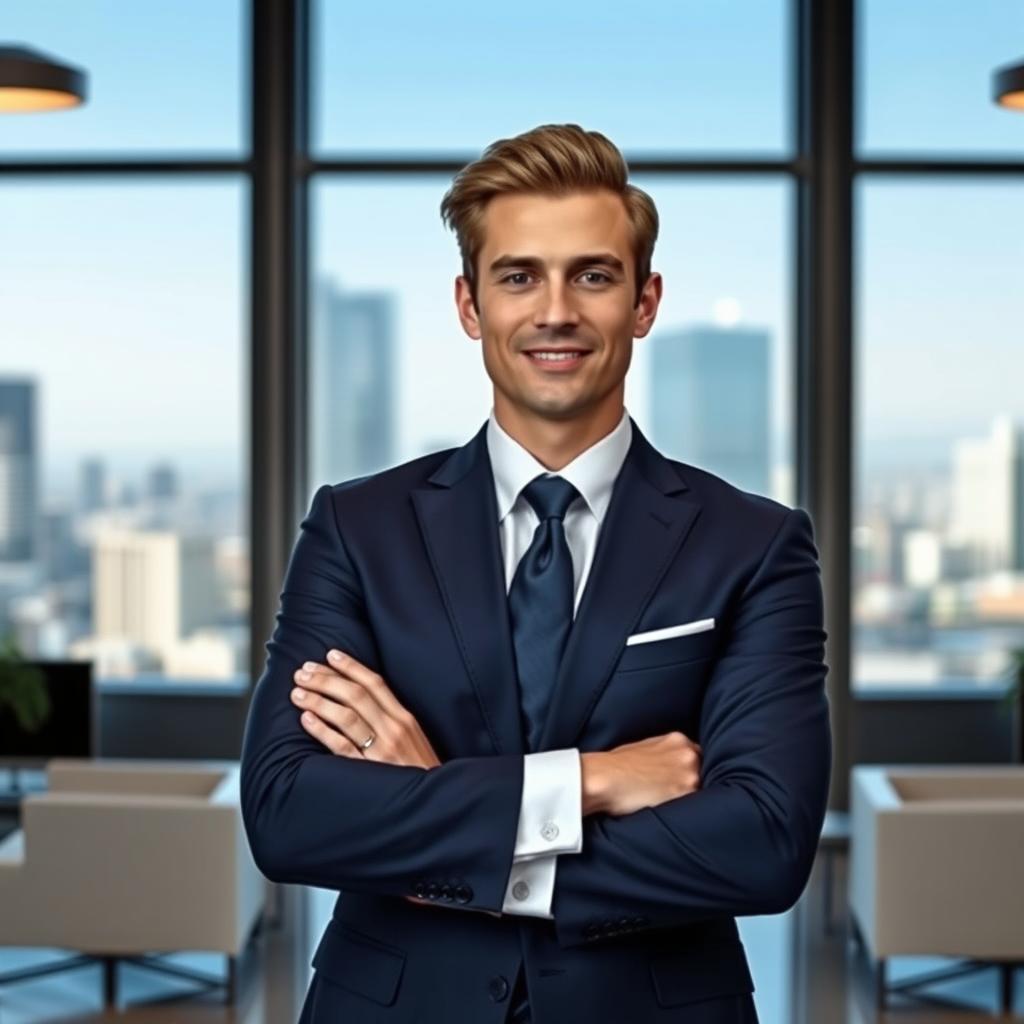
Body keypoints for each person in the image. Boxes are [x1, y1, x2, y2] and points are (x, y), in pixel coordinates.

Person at [239, 122, 832, 1024]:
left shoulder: (754, 545)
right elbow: (286, 813)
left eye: (593, 275)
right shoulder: (357, 528)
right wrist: (585, 784)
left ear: (644, 301)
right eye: (519, 277)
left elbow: (764, 843)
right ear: (470, 305)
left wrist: (435, 825)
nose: (555, 311)